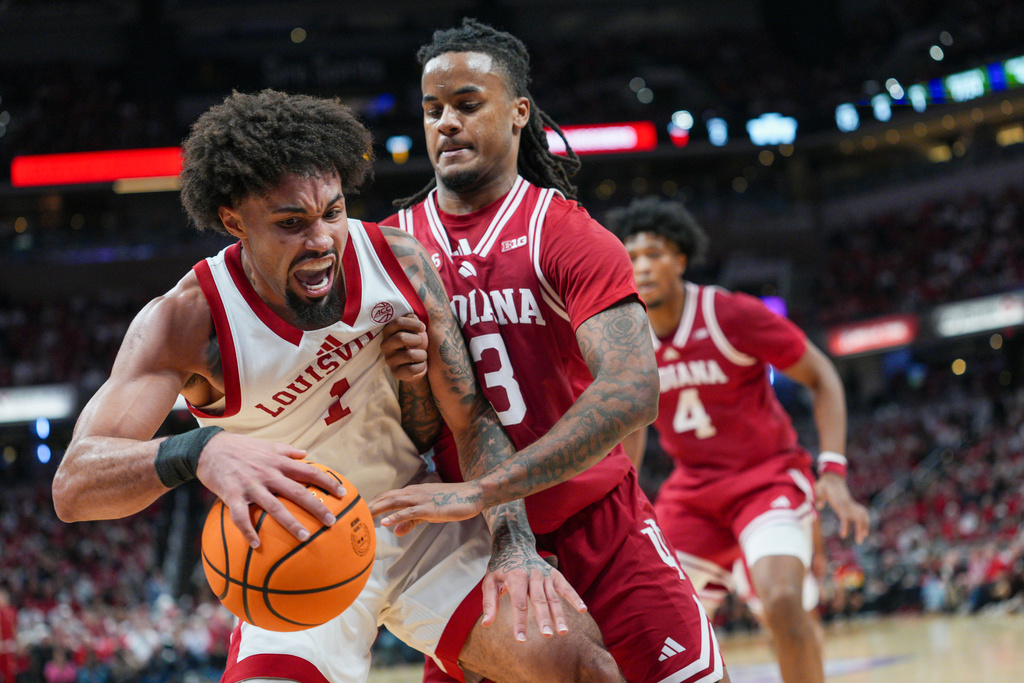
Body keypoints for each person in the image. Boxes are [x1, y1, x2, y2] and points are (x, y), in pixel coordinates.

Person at [51, 89, 624, 683]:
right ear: (233, 222)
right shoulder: (186, 321)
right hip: (291, 549)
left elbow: (470, 417)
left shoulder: (397, 263)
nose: (322, 238)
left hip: (412, 519)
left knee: (582, 666)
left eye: (332, 210)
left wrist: (512, 543)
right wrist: (199, 450)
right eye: (291, 223)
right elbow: (75, 485)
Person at [369, 19, 728, 683]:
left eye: (468, 104)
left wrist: (487, 485)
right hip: (471, 544)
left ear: (517, 113)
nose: (446, 122)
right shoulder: (389, 249)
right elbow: (411, 420)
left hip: (599, 524)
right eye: (433, 109)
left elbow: (632, 391)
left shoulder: (563, 234)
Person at [604, 196, 870, 683]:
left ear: (680, 259)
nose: (641, 266)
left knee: (783, 601)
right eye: (632, 256)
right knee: (648, 625)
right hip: (693, 494)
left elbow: (822, 376)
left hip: (765, 478)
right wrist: (626, 503)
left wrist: (832, 470)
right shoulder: (626, 337)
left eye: (654, 254)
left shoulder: (729, 313)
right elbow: (633, 427)